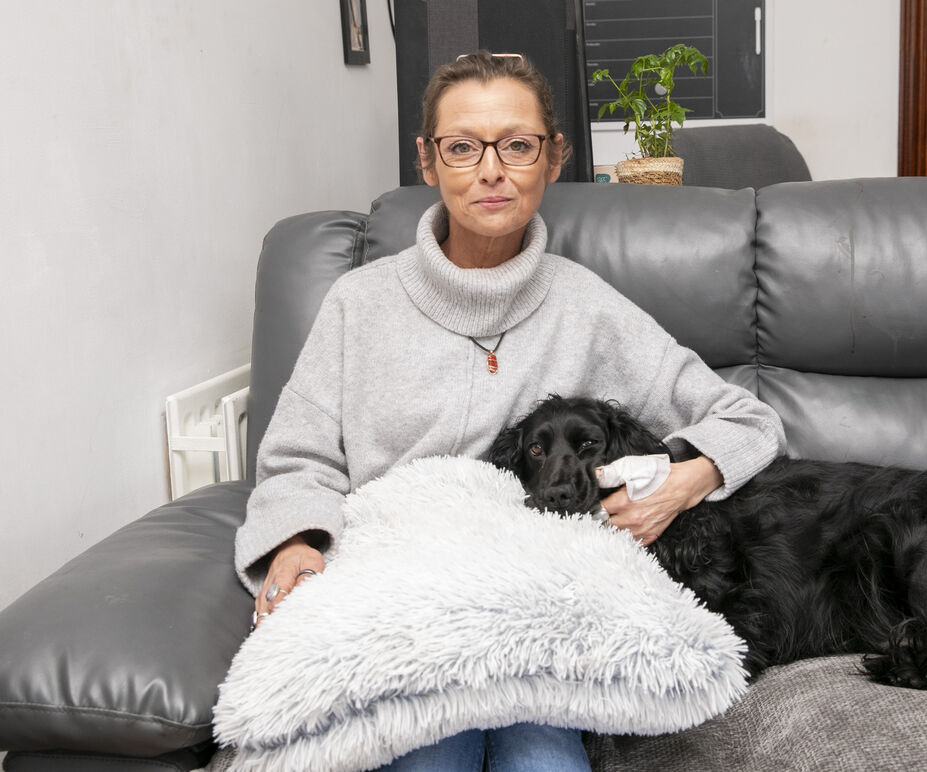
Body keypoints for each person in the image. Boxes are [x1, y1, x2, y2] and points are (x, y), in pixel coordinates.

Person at [234, 50, 786, 772]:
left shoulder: (588, 306)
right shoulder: (357, 305)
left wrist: (687, 477)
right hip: (409, 606)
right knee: (431, 754)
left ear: (553, 160)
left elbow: (746, 419)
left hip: (540, 617)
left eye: (517, 145)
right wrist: (294, 544)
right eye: (462, 147)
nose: (490, 170)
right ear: (429, 162)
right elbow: (296, 460)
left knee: (542, 757)